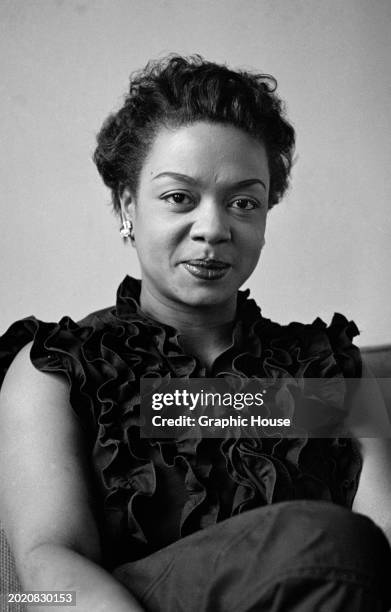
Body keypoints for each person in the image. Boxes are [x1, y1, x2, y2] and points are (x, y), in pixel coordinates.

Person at [0, 55, 391, 612]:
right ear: (126, 204)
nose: (213, 229)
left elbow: (383, 540)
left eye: (244, 203)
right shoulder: (60, 371)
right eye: (179, 197)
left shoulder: (326, 370)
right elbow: (46, 565)